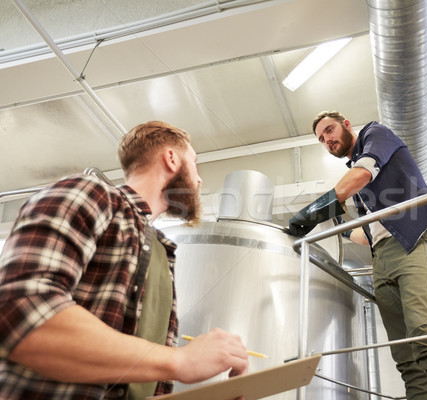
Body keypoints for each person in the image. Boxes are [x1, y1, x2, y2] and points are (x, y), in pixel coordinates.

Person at [0, 121, 249, 399]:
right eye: (194, 163)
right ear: (171, 158)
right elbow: (18, 310)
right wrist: (179, 361)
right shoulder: (91, 193)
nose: (200, 180)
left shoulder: (161, 250)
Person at [289, 111, 427, 400]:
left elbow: (364, 172)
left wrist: (316, 210)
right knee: (406, 357)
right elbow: (370, 233)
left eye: (329, 130)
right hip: (384, 257)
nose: (327, 140)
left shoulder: (374, 135)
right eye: (321, 139)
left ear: (346, 125)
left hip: (416, 238)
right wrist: (341, 228)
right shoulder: (363, 192)